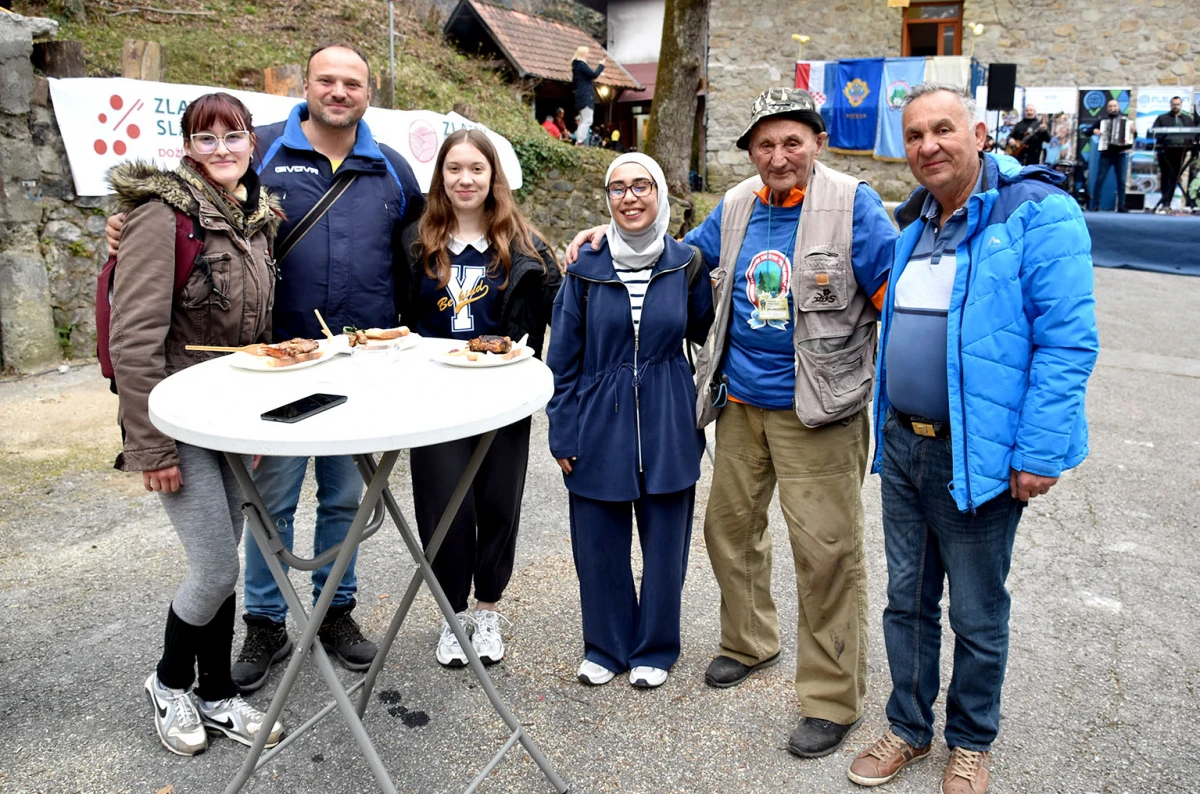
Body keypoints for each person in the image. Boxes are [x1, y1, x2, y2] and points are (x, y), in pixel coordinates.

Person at [568, 86, 897, 757]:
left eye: (791, 142)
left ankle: (832, 699)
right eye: (765, 145)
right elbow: (675, 259)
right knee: (729, 531)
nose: (778, 156)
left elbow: (897, 302)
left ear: (817, 143)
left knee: (827, 556)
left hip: (820, 413)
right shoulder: (738, 205)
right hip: (741, 405)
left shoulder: (853, 205)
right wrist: (604, 238)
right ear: (749, 152)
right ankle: (751, 641)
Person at [107, 43, 426, 693]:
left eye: (353, 82)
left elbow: (423, 252)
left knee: (344, 499)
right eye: (326, 80)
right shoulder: (265, 154)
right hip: (274, 371)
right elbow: (189, 220)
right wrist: (126, 229)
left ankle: (336, 611)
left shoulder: (393, 169)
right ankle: (265, 620)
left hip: (359, 370)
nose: (339, 91)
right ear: (303, 86)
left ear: (370, 91)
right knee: (269, 505)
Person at [847, 83, 1097, 794]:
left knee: (978, 614)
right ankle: (907, 729)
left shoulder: (1040, 213)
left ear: (979, 133)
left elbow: (1067, 343)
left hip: (978, 453)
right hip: (902, 444)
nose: (929, 145)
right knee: (907, 601)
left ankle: (971, 741)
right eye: (916, 134)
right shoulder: (914, 224)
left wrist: (1039, 451)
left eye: (944, 129)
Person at [107, 92, 285, 756]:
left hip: (233, 421)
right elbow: (134, 340)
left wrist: (257, 429)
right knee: (212, 566)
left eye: (231, 136)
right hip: (177, 418)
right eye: (204, 139)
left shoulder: (259, 220)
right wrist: (149, 445)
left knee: (225, 566)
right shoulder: (160, 217)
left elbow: (260, 336)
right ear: (186, 148)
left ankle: (216, 693)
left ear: (250, 143)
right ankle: (169, 681)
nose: (219, 150)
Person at [546, 153, 713, 689]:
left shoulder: (687, 264)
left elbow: (711, 335)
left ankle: (656, 647)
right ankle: (605, 644)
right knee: (597, 541)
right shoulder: (584, 269)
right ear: (607, 199)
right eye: (618, 188)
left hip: (668, 417)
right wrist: (562, 429)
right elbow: (562, 361)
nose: (630, 197)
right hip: (598, 417)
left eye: (642, 186)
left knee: (666, 545)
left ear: (661, 194)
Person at [398, 129, 559, 668]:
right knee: (443, 508)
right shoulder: (414, 242)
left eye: (476, 169)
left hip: (501, 398)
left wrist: (594, 249)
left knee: (496, 503)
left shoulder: (527, 246)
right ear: (440, 177)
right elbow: (394, 319)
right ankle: (451, 613)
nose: (465, 179)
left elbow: (565, 307)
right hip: (434, 398)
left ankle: (486, 609)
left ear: (494, 178)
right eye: (454, 169)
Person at [1151, 95, 1195, 211]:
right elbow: (1155, 131)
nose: (1175, 106)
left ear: (1181, 105)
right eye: (1174, 104)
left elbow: (1192, 134)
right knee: (1165, 176)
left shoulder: (1187, 119)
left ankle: (1168, 202)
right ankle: (1165, 202)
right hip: (1166, 151)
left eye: (1178, 104)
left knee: (1175, 177)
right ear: (1170, 105)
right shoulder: (1162, 118)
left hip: (1181, 151)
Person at [1089, 97, 1132, 212]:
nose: (1113, 108)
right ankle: (1095, 204)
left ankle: (1122, 205)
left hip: (1120, 153)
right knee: (1100, 179)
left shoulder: (1126, 120)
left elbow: (1132, 137)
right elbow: (1087, 131)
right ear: (1107, 108)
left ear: (1118, 107)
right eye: (1110, 106)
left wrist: (1133, 132)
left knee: (1122, 181)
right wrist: (1094, 131)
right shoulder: (1102, 121)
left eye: (1115, 106)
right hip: (1106, 153)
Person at [571, 45, 604, 146]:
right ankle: (580, 141)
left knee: (583, 120)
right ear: (584, 54)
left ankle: (580, 140)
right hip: (585, 97)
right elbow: (594, 74)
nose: (589, 55)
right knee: (587, 120)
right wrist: (601, 66)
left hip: (580, 97)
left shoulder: (576, 67)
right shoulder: (582, 65)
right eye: (588, 53)